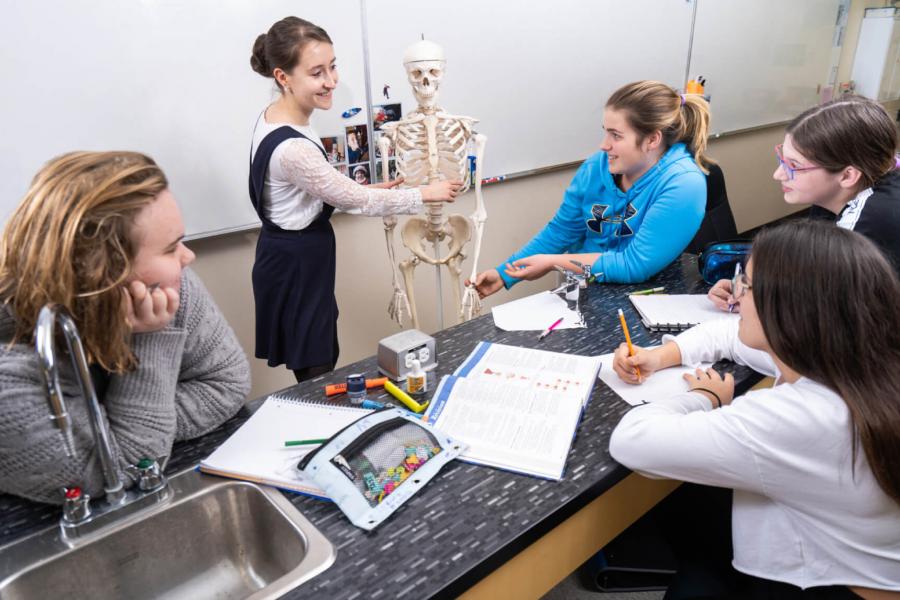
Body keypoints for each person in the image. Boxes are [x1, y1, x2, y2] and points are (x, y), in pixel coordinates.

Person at [610, 221, 900, 598]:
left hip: (833, 585)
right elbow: (726, 335)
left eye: (744, 284)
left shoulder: (798, 415)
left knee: (685, 508)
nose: (735, 298)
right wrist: (659, 355)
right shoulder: (857, 357)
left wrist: (705, 399)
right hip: (861, 564)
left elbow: (632, 440)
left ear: (787, 310)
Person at [0, 151, 250, 504]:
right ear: (102, 273)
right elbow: (124, 468)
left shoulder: (165, 289)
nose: (187, 256)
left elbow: (227, 382)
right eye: (169, 248)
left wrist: (115, 429)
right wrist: (149, 341)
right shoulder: (8, 374)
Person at [249, 17, 461, 382]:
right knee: (316, 363)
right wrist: (426, 194)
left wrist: (369, 190)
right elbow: (356, 202)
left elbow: (325, 188)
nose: (331, 81)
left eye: (332, 67)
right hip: (296, 263)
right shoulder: (294, 148)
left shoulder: (279, 119)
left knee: (316, 353)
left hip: (290, 253)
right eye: (317, 73)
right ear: (283, 77)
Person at [467, 80, 712, 298]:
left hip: (648, 297)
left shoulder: (683, 184)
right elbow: (561, 231)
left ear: (652, 140)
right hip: (586, 290)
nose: (603, 145)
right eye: (605, 132)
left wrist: (554, 262)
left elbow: (634, 265)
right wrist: (504, 274)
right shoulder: (597, 166)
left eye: (616, 135)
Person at [709, 95, 900, 311]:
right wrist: (746, 287)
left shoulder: (870, 220)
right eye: (783, 160)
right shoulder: (847, 190)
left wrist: (751, 297)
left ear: (848, 176)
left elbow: (817, 309)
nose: (778, 174)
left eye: (794, 165)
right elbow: (809, 269)